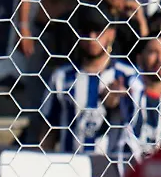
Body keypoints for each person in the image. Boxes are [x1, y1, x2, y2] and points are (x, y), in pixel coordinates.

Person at [37, 8, 142, 157]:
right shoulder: (61, 77)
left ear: (111, 33)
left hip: (111, 168)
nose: (92, 37)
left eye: (98, 31)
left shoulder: (129, 76)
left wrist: (123, 102)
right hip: (71, 166)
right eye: (86, 31)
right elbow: (48, 131)